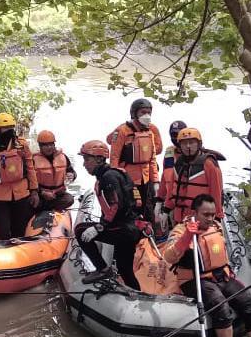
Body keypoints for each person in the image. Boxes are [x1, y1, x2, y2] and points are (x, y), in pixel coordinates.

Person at [163, 194, 251, 337]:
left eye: (212, 214)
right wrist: (188, 235)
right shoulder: (181, 230)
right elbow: (169, 256)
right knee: (221, 307)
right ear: (194, 212)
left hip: (221, 276)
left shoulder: (217, 226)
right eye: (206, 215)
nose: (210, 218)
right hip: (195, 279)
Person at [74, 139, 142, 290]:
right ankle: (138, 294)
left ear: (99, 159)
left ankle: (103, 269)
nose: (84, 164)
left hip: (124, 229)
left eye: (87, 159)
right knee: (125, 269)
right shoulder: (114, 174)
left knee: (80, 230)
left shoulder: (108, 177)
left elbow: (115, 205)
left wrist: (99, 227)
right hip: (130, 227)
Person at [0, 112, 40, 240]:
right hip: (0, 197)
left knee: (20, 229)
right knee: (2, 231)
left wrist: (34, 191)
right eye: (5, 128)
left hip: (22, 194)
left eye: (11, 127)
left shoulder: (22, 145)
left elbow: (30, 169)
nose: (9, 131)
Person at [108, 98, 163, 221]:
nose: (146, 116)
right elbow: (114, 157)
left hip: (146, 178)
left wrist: (155, 181)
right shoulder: (122, 131)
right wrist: (115, 181)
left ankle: (148, 234)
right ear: (134, 113)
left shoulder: (150, 132)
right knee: (131, 209)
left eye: (149, 113)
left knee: (148, 210)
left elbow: (152, 159)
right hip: (128, 179)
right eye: (143, 112)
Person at [162, 128, 224, 224]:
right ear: (179, 146)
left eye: (191, 142)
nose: (188, 146)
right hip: (180, 218)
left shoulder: (209, 164)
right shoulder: (178, 163)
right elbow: (171, 190)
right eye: (184, 143)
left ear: (198, 144)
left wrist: (217, 217)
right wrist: (166, 210)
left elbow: (216, 192)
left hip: (201, 219)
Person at [32, 130, 76, 213]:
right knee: (30, 202)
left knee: (69, 199)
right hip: (41, 194)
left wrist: (72, 174)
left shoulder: (63, 157)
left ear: (54, 145)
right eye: (46, 145)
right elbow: (29, 181)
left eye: (51, 144)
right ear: (40, 146)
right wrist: (42, 192)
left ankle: (45, 209)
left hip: (58, 195)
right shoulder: (33, 159)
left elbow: (71, 171)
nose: (49, 147)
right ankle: (43, 209)